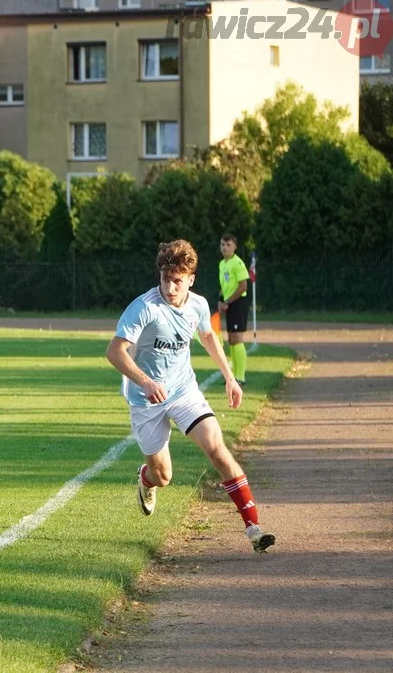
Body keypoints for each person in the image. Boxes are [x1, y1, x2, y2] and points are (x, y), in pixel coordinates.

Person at [106, 240, 275, 553]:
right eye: (165, 279)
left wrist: (230, 378)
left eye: (177, 281)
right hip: (146, 399)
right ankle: (145, 480)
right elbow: (114, 351)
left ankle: (253, 527)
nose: (170, 287)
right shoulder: (145, 307)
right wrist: (144, 381)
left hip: (183, 390)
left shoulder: (198, 305)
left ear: (191, 279)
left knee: (216, 447)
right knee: (163, 475)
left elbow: (208, 336)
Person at [218, 233, 250, 386]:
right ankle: (234, 377)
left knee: (237, 339)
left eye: (228, 245)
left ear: (235, 247)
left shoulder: (237, 263)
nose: (225, 248)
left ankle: (241, 377)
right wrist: (221, 301)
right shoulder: (222, 264)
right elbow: (224, 286)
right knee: (231, 340)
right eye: (223, 245)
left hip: (238, 303)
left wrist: (228, 301)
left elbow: (243, 285)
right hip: (229, 303)